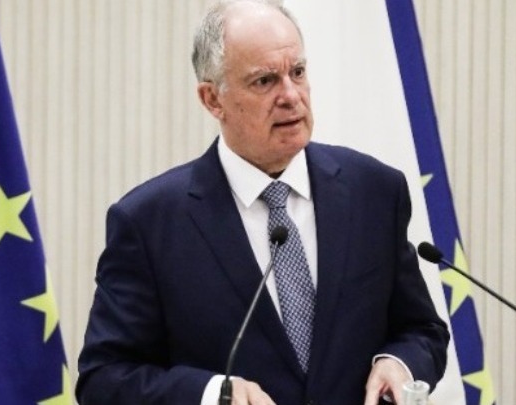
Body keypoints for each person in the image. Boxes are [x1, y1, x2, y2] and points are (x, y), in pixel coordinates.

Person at [76, 1, 449, 404]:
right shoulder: (149, 223)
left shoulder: (374, 192)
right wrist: (212, 394)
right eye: (265, 81)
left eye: (298, 72)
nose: (290, 95)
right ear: (212, 99)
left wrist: (399, 362)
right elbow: (103, 378)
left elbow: (422, 329)